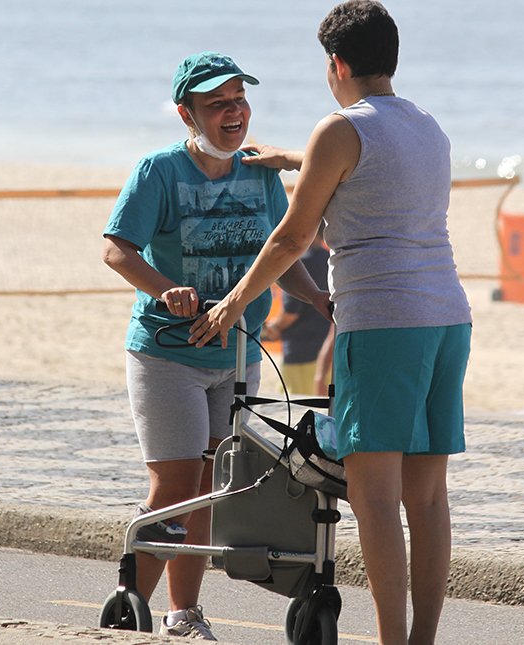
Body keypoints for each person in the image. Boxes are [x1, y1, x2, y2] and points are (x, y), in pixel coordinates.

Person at [189, 4, 472, 644]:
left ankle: (390, 642)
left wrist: (233, 303)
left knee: (374, 496)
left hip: (382, 323)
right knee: (425, 498)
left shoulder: (339, 129)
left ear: (336, 64)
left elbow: (291, 239)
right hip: (447, 318)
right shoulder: (428, 127)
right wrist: (296, 157)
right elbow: (376, 176)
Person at [102, 52, 331, 641]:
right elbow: (117, 250)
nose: (233, 112)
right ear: (188, 113)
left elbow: (285, 251)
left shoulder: (259, 173)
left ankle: (183, 615)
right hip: (167, 354)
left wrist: (319, 300)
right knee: (176, 485)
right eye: (216, 104)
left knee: (212, 483)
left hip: (236, 355)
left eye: (239, 99)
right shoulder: (158, 171)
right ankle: (129, 611)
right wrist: (166, 289)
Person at [263, 227, 332, 395]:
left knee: (297, 412)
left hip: (300, 351)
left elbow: (290, 312)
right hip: (328, 352)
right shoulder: (331, 259)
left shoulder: (298, 263)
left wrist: (273, 327)